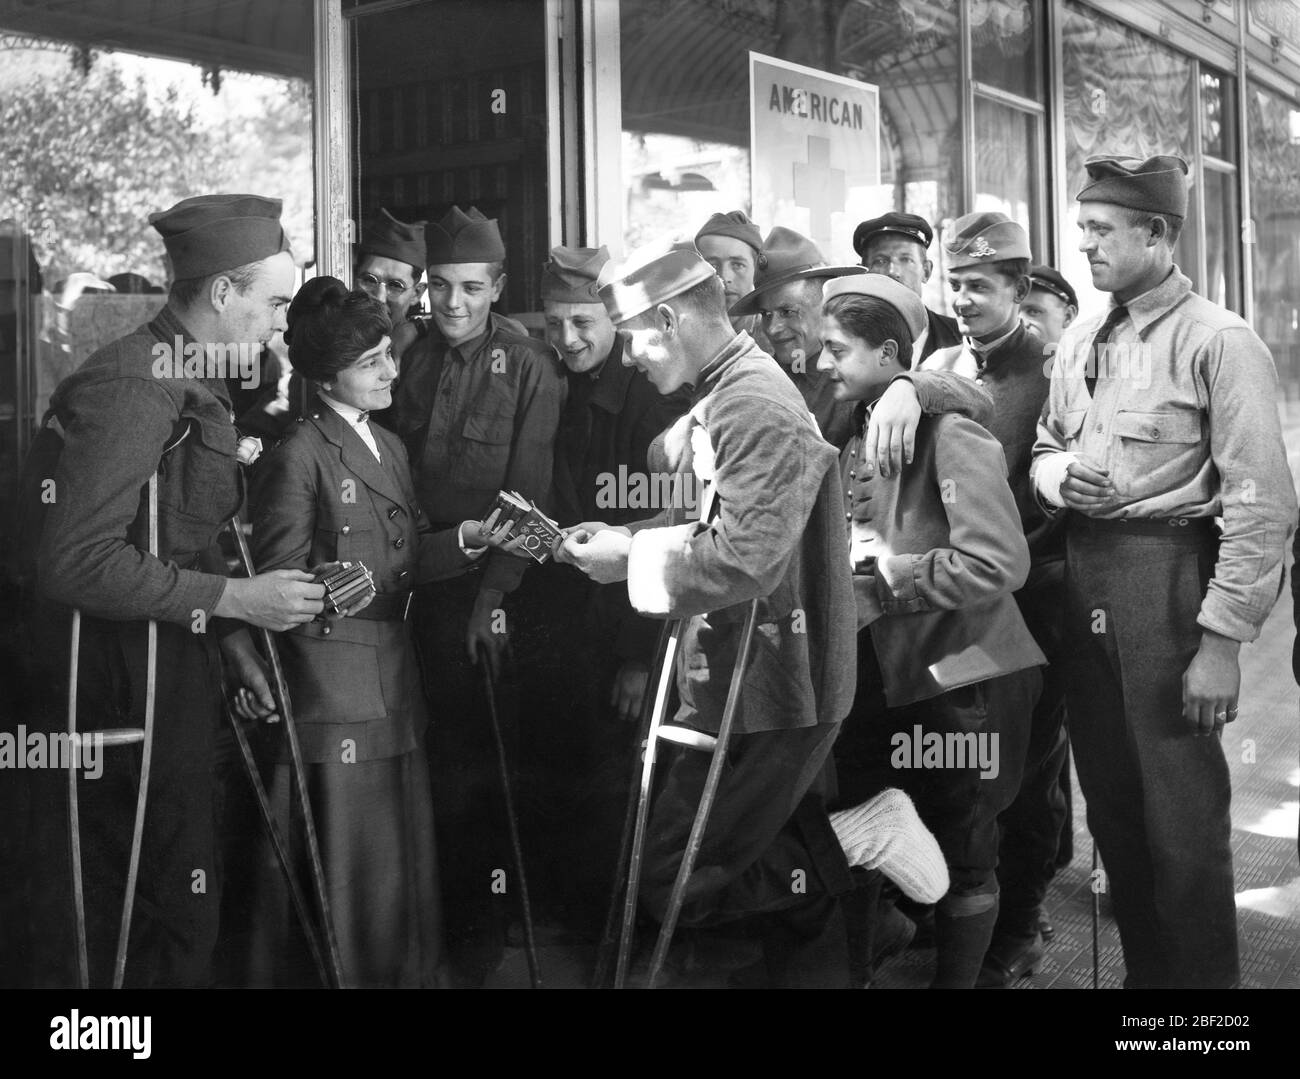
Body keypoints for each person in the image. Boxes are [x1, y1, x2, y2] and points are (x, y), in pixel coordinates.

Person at [558, 241, 949, 988]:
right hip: (758, 678)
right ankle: (870, 923)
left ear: (669, 318)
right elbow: (719, 526)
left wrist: (629, 562)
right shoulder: (727, 390)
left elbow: (744, 557)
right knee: (774, 861)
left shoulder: (751, 403)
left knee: (675, 870)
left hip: (775, 685)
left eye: (634, 336)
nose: (630, 358)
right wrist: (626, 538)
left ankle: (871, 837)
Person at [27, 193, 327, 988]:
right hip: (120, 691)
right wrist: (237, 602)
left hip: (175, 671)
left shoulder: (197, 378)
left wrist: (230, 643)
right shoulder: (134, 388)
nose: (279, 325)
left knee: (188, 893)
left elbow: (179, 542)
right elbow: (76, 558)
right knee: (150, 908)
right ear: (223, 293)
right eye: (273, 303)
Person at [1031, 153, 1297, 988]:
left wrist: (1221, 643)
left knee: (1181, 829)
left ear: (1158, 233)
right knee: (1113, 815)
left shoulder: (1220, 341)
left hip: (1171, 584)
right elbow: (1045, 442)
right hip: (1087, 581)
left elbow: (1261, 502)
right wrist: (1054, 475)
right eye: (1083, 231)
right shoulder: (1079, 339)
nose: (1086, 248)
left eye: (1103, 232)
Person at [245, 277, 521, 987]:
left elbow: (402, 558)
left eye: (387, 356)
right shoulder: (297, 454)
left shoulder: (389, 446)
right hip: (330, 689)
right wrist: (332, 587)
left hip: (393, 676)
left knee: (394, 868)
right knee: (351, 867)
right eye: (373, 362)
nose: (392, 371)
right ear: (327, 374)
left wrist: (463, 538)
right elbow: (274, 586)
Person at [818, 271, 1043, 988]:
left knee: (968, 841)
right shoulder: (847, 422)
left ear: (889, 355)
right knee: (863, 824)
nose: (823, 364)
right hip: (880, 677)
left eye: (836, 349)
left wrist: (886, 586)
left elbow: (1001, 560)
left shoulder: (948, 433)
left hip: (962, 675)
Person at [390, 204, 566, 985]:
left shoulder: (529, 366)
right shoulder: (408, 357)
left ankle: (484, 942)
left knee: (485, 771)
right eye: (438, 286)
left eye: (470, 287)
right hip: (416, 585)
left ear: (498, 287)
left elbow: (530, 500)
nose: (451, 302)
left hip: (495, 598)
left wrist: (492, 599)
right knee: (434, 766)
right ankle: (439, 932)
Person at [908, 212, 1068, 985]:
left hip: (1032, 607)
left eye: (981, 286)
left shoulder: (1056, 373)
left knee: (1030, 778)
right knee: (966, 783)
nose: (964, 298)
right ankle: (961, 913)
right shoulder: (939, 363)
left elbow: (1060, 504)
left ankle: (1022, 923)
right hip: (957, 611)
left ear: (1020, 288)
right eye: (957, 284)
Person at [728, 227, 865, 448]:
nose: (772, 329)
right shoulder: (758, 378)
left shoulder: (856, 382)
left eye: (787, 312)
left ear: (825, 306)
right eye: (766, 314)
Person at [852, 211, 961, 364]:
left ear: (926, 271)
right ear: (862, 273)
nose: (893, 272)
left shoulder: (960, 337)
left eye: (906, 260)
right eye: (880, 261)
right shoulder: (846, 341)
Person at [354, 207, 427, 362]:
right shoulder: (335, 343)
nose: (379, 298)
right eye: (369, 280)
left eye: (395, 285)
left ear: (417, 293)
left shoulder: (425, 354)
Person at [694, 210, 766, 344]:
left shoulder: (775, 336)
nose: (725, 277)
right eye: (713, 266)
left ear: (756, 270)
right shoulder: (685, 337)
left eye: (737, 265)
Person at [1021, 264, 1078, 352]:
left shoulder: (1087, 363)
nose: (1020, 322)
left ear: (1067, 316)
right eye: (1013, 314)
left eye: (1034, 312)